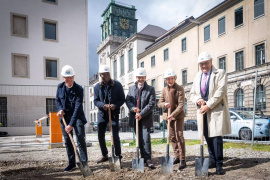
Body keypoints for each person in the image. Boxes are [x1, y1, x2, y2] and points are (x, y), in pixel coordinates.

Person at [190, 52, 231, 175]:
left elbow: (221, 91)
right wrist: (198, 100)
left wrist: (208, 105)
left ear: (211, 62)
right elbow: (192, 93)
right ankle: (212, 160)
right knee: (207, 136)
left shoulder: (220, 73)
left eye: (206, 63)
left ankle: (219, 164)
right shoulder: (197, 76)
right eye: (201, 64)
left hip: (215, 110)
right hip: (202, 111)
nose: (204, 66)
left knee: (216, 137)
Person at [55, 65, 88, 172]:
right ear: (62, 77)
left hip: (77, 116)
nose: (68, 79)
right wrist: (60, 109)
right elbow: (57, 101)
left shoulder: (79, 89)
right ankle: (72, 163)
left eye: (70, 77)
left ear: (73, 77)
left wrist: (71, 124)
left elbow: (78, 107)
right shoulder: (60, 87)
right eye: (66, 77)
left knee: (80, 140)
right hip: (64, 117)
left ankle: (84, 163)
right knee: (68, 141)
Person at [94, 65, 125, 164]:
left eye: (107, 74)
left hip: (114, 114)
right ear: (100, 75)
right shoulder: (97, 87)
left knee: (115, 135)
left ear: (109, 74)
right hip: (102, 114)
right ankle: (105, 155)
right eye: (102, 74)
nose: (105, 76)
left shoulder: (117, 85)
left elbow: (122, 99)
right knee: (100, 135)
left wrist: (115, 105)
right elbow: (96, 101)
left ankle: (118, 155)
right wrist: (103, 105)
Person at [126, 68, 156, 168]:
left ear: (145, 78)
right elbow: (128, 100)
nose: (140, 79)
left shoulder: (150, 89)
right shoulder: (131, 89)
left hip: (145, 118)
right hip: (135, 118)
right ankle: (140, 158)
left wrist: (141, 114)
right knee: (139, 139)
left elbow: (151, 104)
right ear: (136, 78)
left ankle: (147, 159)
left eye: (142, 77)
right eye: (139, 77)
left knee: (146, 138)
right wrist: (133, 108)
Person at [158, 68, 186, 170]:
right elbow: (159, 103)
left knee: (179, 136)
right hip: (168, 116)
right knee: (172, 137)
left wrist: (173, 114)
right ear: (165, 80)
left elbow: (181, 105)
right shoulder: (164, 90)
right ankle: (176, 156)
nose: (170, 81)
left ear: (174, 78)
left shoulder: (180, 89)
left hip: (178, 116)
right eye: (168, 79)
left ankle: (183, 159)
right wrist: (165, 104)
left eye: (171, 78)